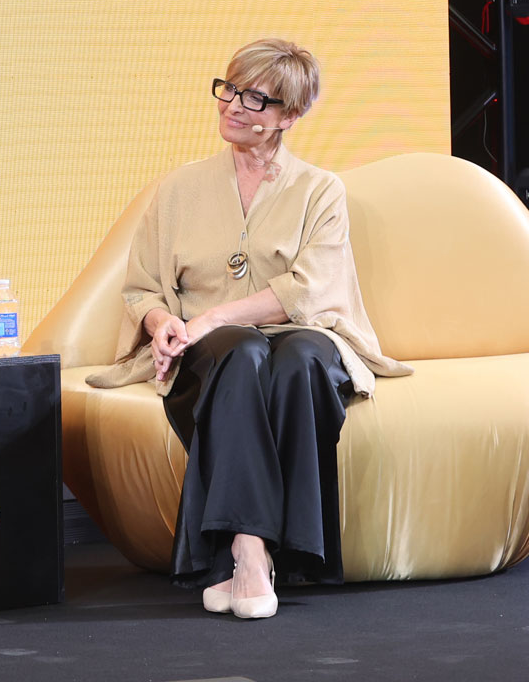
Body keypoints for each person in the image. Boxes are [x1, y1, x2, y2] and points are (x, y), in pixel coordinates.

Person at [86, 39, 408, 619]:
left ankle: (235, 555)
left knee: (301, 358)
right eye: (230, 89)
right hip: (214, 350)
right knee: (240, 352)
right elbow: (141, 290)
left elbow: (307, 290)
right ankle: (253, 551)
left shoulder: (319, 190)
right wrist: (163, 323)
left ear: (290, 115)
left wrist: (209, 316)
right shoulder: (178, 189)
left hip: (297, 333)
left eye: (255, 99)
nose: (233, 105)